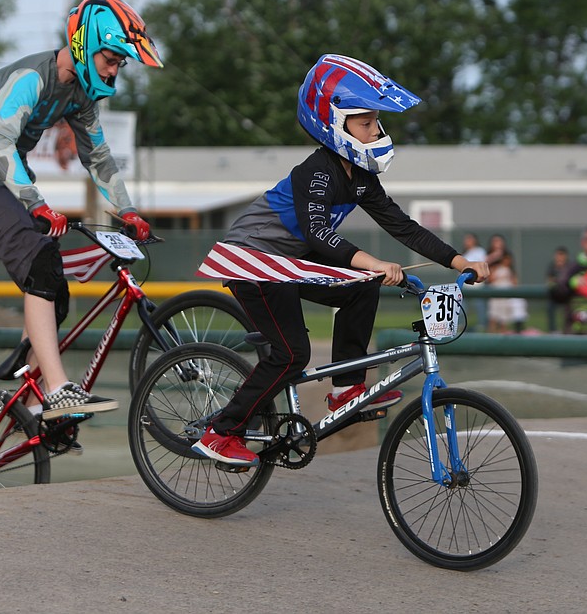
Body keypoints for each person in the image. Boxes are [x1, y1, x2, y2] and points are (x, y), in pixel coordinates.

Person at [191, 54, 491, 467]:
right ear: (334, 124)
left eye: (376, 123)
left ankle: (346, 387)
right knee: (291, 354)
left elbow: (402, 227)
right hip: (256, 259)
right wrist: (372, 262)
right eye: (365, 123)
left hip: (294, 259)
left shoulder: (362, 179)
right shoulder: (315, 172)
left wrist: (458, 261)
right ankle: (220, 434)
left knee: (361, 286)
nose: (375, 131)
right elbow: (318, 234)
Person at [0, 0, 162, 420]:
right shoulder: (32, 78)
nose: (116, 70)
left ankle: (31, 402)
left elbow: (97, 157)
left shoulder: (79, 95)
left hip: (3, 178)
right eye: (112, 59)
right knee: (40, 258)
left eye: (120, 63)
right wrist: (36, 202)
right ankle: (57, 389)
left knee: (53, 282)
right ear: (85, 45)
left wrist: (128, 210)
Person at [487, 251, 528, 333]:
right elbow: (490, 280)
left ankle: (503, 336)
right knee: (493, 317)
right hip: (496, 296)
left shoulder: (511, 271)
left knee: (504, 319)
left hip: (506, 298)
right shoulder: (496, 268)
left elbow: (515, 283)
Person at [460, 232, 489, 331]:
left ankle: (482, 325)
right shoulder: (464, 253)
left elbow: (482, 264)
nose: (466, 242)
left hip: (477, 285)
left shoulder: (479, 251)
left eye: (469, 239)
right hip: (465, 285)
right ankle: (461, 325)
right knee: (462, 307)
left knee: (480, 306)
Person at [544, 246, 571, 332]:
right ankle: (552, 330)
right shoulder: (552, 267)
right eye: (558, 255)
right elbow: (549, 280)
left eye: (561, 255)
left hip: (567, 296)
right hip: (555, 296)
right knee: (550, 307)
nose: (559, 257)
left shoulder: (569, 267)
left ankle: (567, 329)